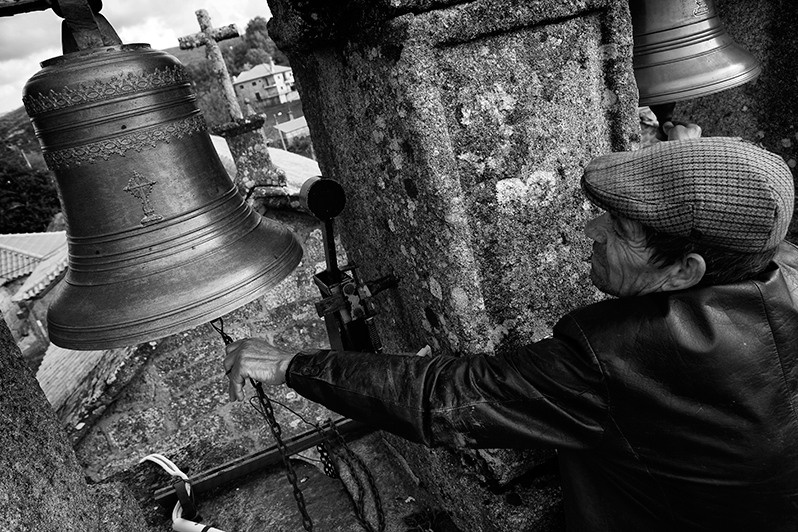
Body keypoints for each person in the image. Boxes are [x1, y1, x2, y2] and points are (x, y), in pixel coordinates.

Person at [224, 125, 798, 531]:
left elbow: (446, 397)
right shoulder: (782, 279)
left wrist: (287, 364)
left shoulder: (617, 356)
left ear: (683, 271)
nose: (589, 231)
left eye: (621, 226)